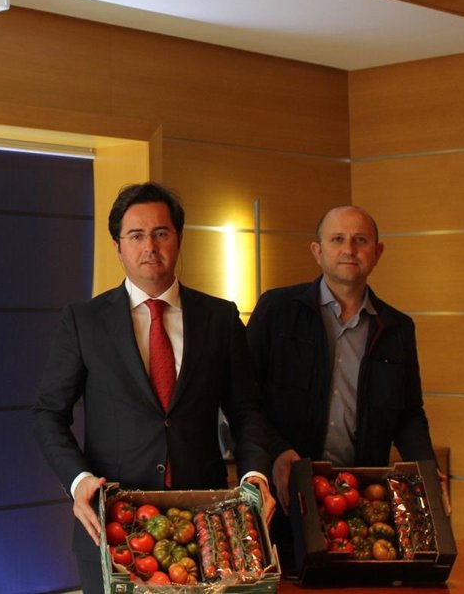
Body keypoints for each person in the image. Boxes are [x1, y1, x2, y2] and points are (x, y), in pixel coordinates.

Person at [32, 182, 279, 593]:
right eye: (136, 235)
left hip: (206, 528)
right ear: (118, 246)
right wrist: (78, 481)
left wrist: (256, 474)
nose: (149, 246)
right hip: (115, 527)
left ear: (178, 238)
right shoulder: (84, 321)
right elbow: (47, 414)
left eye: (160, 233)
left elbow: (247, 410)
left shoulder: (220, 318)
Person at [248, 205, 441, 570]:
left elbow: (409, 415)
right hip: (285, 495)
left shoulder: (397, 328)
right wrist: (277, 450)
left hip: (359, 505)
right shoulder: (277, 309)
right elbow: (244, 399)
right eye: (337, 239)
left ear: (377, 252)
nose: (349, 249)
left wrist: (428, 476)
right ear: (317, 251)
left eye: (360, 240)